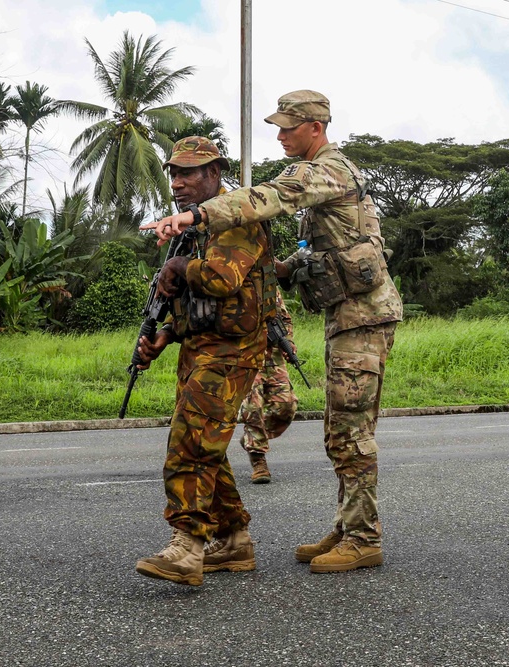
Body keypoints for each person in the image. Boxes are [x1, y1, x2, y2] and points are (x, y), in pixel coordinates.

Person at [144, 90, 403, 574]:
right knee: (338, 429)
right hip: (347, 315)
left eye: (288, 128)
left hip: (364, 316)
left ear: (316, 128)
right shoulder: (326, 175)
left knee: (350, 430)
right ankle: (351, 526)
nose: (280, 136)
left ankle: (364, 537)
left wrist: (197, 215)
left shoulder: (325, 169)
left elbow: (267, 197)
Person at [133, 136, 271, 586]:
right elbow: (198, 306)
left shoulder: (237, 219)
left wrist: (179, 270)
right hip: (200, 348)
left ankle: (187, 546)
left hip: (231, 352)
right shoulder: (196, 230)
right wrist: (165, 336)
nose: (178, 182)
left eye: (188, 173)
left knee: (191, 443)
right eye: (173, 173)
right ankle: (233, 540)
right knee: (205, 443)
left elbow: (221, 279)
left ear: (215, 173)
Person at [238, 289, 299, 484]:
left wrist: (288, 343)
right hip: (245, 356)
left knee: (286, 406)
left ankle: (252, 438)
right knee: (252, 407)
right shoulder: (232, 281)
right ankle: (258, 459)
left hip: (273, 355)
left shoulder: (269, 285)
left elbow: (284, 318)